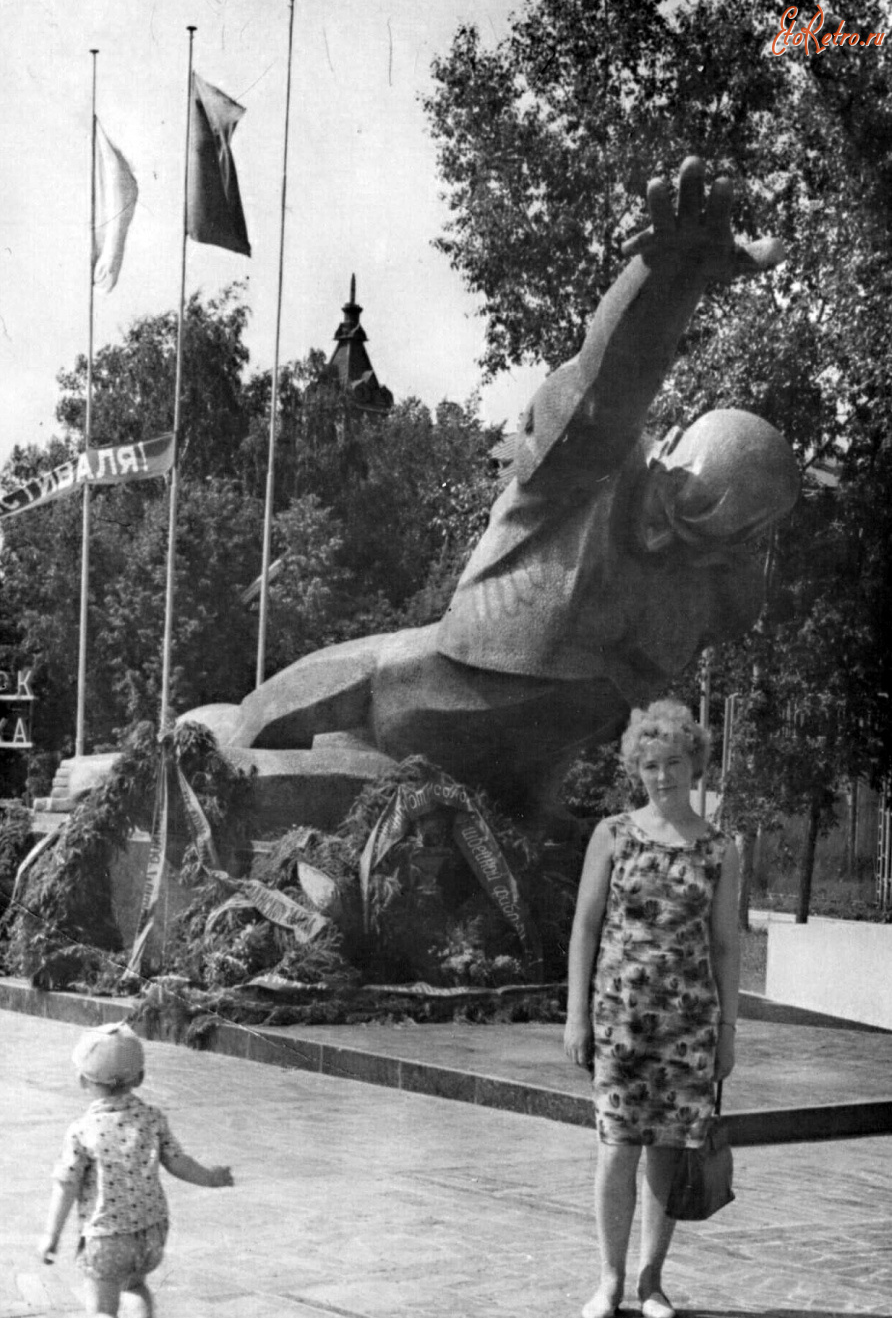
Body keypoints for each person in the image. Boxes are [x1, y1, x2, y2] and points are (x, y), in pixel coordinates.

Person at [181, 158, 798, 825]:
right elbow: (606, 385)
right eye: (677, 496)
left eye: (705, 529)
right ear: (670, 445)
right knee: (236, 747)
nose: (667, 529)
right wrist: (667, 279)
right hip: (403, 693)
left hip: (512, 784)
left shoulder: (712, 592)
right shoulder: (587, 474)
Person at [563, 699, 740, 1318]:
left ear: (694, 763)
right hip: (620, 1020)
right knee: (616, 1147)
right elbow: (584, 928)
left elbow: (724, 945)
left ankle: (652, 1281)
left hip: (687, 1026)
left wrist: (727, 1031)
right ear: (637, 769)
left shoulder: (720, 848)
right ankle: (609, 1280)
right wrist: (576, 1015)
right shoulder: (612, 834)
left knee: (667, 1149)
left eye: (673, 763)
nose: (661, 776)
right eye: (649, 765)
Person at [38, 1021, 234, 1318]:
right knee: (135, 1285)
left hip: (106, 1239)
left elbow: (66, 1187)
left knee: (103, 1311)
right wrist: (212, 1178)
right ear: (140, 1077)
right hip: (151, 1234)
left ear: (83, 1080)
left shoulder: (82, 1130)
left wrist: (50, 1235)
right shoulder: (152, 1119)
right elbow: (180, 1164)